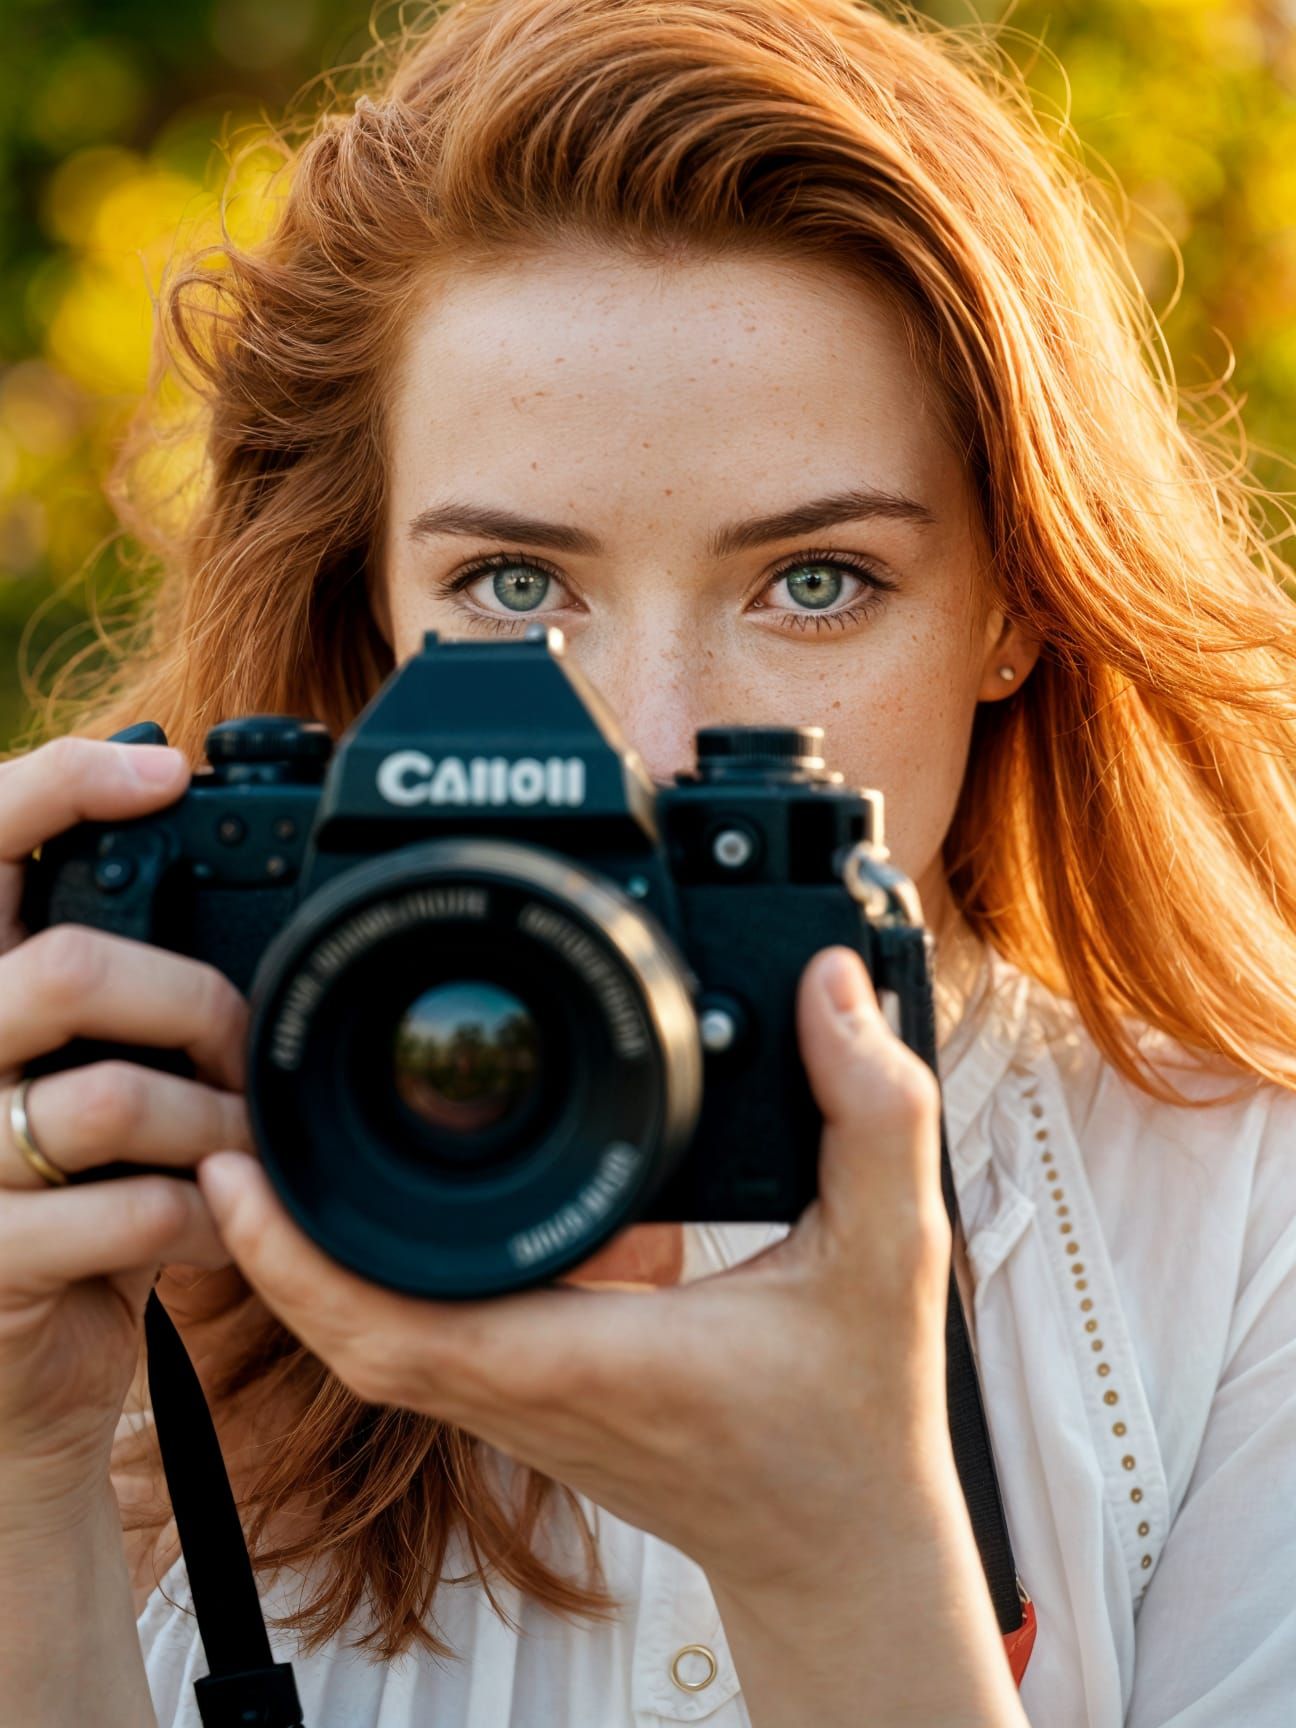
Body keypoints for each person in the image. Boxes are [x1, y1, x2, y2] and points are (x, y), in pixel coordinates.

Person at [2, 0, 1295, 1723]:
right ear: (370, 610)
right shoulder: (134, 1173)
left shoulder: (1242, 1223)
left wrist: (838, 1558)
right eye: (515, 588)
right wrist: (23, 1479)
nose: (652, 745)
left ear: (1018, 602)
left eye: (815, 582)